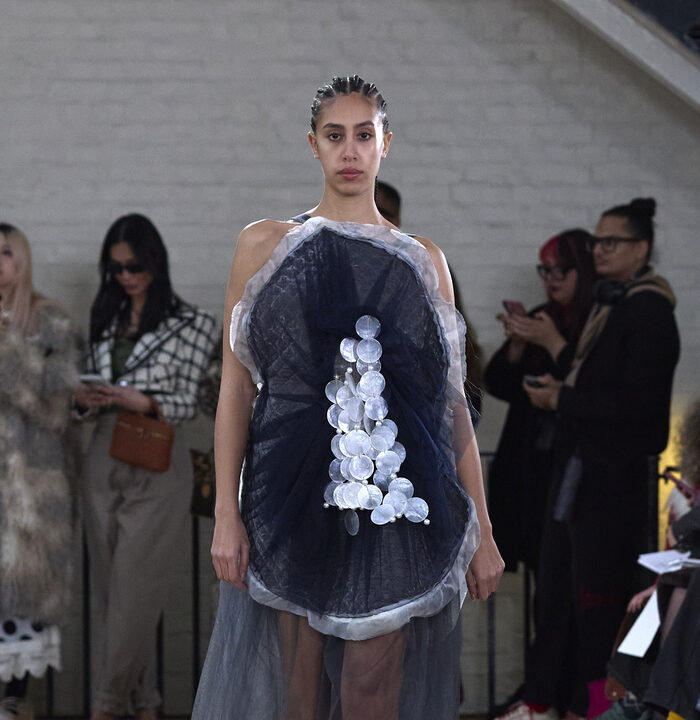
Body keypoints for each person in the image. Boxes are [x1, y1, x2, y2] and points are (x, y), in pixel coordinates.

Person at [192, 75, 504, 719]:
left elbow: (449, 407)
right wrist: (226, 512)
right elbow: (236, 387)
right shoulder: (265, 244)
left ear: (387, 143)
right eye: (335, 136)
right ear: (313, 145)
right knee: (300, 697)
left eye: (365, 135)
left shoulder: (423, 260)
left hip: (397, 493)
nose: (350, 150)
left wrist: (484, 530)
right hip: (290, 489)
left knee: (371, 691)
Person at [509, 198, 680, 720]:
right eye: (597, 241)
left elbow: (640, 411)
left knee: (601, 604)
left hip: (611, 484)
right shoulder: (614, 305)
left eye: (611, 242)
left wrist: (562, 397)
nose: (598, 250)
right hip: (584, 476)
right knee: (568, 599)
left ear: (640, 249)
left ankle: (596, 710)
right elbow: (602, 383)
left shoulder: (648, 311)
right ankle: (567, 705)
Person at [74, 214, 218, 720]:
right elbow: (86, 384)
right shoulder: (106, 316)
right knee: (113, 592)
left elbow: (191, 402)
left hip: (155, 452)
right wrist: (84, 399)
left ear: (154, 262)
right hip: (103, 448)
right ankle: (147, 703)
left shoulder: (195, 323)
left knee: (135, 590)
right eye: (115, 269)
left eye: (134, 266)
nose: (125, 276)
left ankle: (106, 705)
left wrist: (146, 401)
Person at [0, 224, 80, 720]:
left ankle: (15, 699)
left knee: (25, 592)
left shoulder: (50, 321)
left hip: (30, 485)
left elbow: (56, 410)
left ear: (23, 259)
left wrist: (10, 357)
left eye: (6, 253)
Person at [485, 230, 596, 577]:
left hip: (569, 460)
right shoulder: (543, 315)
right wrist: (519, 344)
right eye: (545, 270)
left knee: (564, 564)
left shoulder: (594, 319)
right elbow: (499, 384)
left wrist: (551, 342)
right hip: (527, 457)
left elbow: (592, 385)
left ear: (584, 269)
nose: (551, 279)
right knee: (538, 559)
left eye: (561, 269)